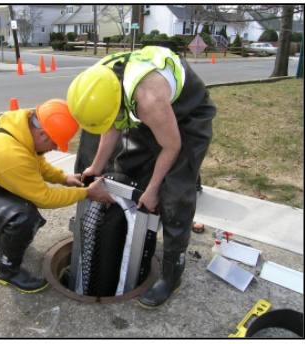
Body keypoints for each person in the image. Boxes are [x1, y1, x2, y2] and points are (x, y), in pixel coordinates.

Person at [66, 45, 215, 309]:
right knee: (116, 159)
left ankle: (172, 273)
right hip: (150, 111)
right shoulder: (101, 83)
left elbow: (172, 146)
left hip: (187, 117)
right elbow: (110, 126)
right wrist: (96, 167)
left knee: (175, 193)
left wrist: (153, 189)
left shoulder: (148, 98)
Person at [0, 100, 114, 293]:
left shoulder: (21, 129)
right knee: (23, 216)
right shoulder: (10, 153)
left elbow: (36, 163)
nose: (55, 148)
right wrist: (86, 193)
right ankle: (7, 270)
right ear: (41, 133)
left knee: (8, 235)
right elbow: (44, 197)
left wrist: (64, 178)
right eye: (55, 143)